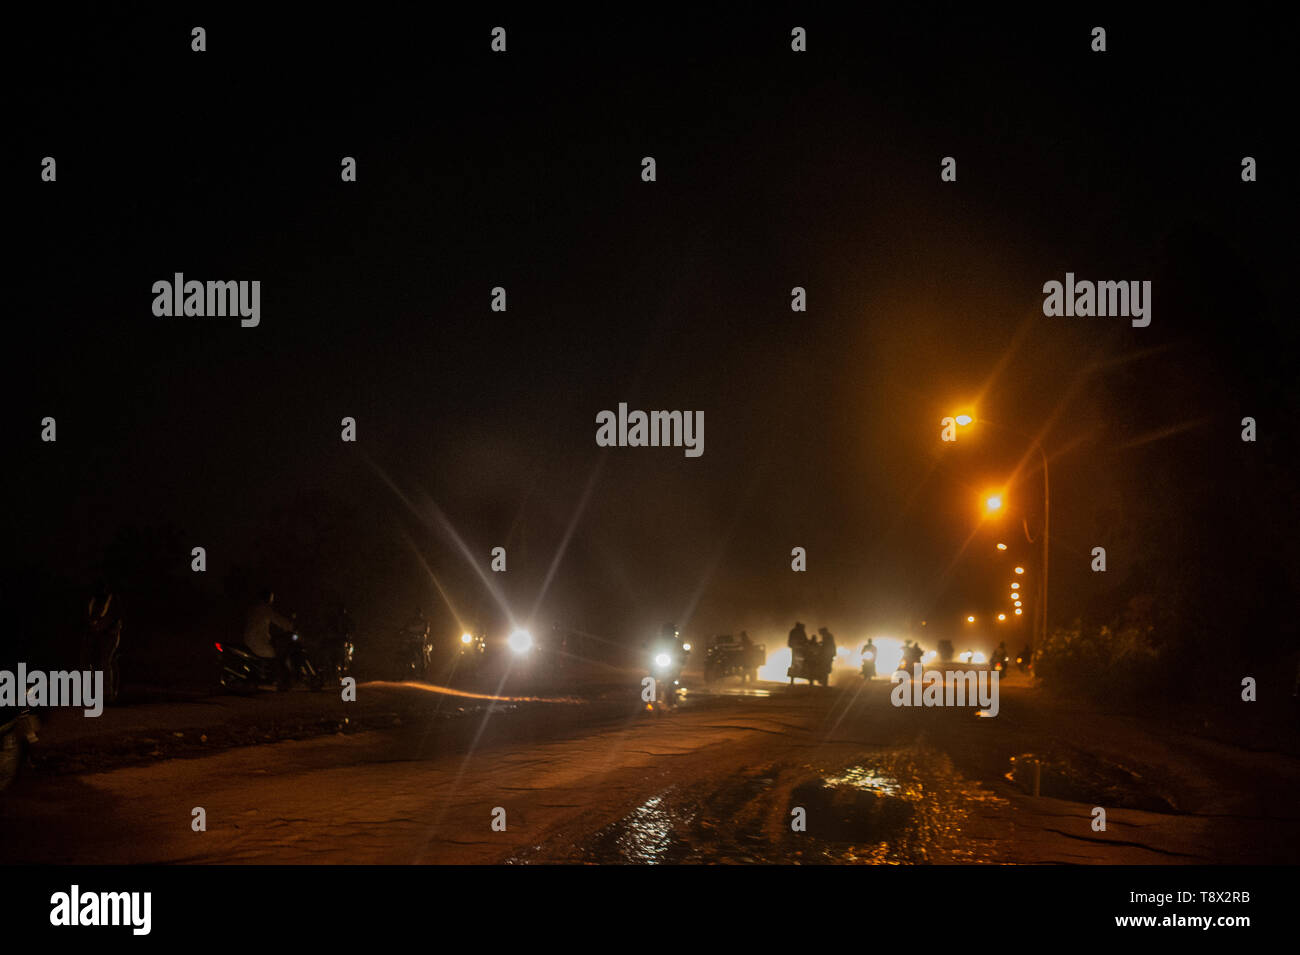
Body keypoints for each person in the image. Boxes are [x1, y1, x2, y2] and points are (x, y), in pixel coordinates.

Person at [243, 590, 295, 688]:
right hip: (257, 641)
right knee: (274, 654)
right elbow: (277, 619)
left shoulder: (255, 608)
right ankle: (273, 680)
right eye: (271, 597)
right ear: (268, 598)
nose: (272, 600)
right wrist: (290, 626)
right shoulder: (264, 609)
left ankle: (267, 676)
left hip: (250, 639)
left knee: (271, 651)